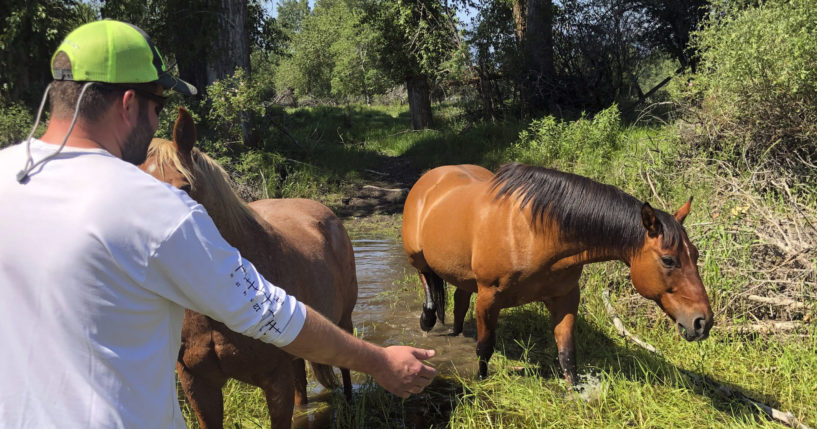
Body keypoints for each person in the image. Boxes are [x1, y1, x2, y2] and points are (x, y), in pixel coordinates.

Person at [0, 19, 436, 428]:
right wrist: (380, 362)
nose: (157, 121)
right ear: (130, 103)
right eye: (158, 105)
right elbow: (270, 315)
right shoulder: (154, 207)